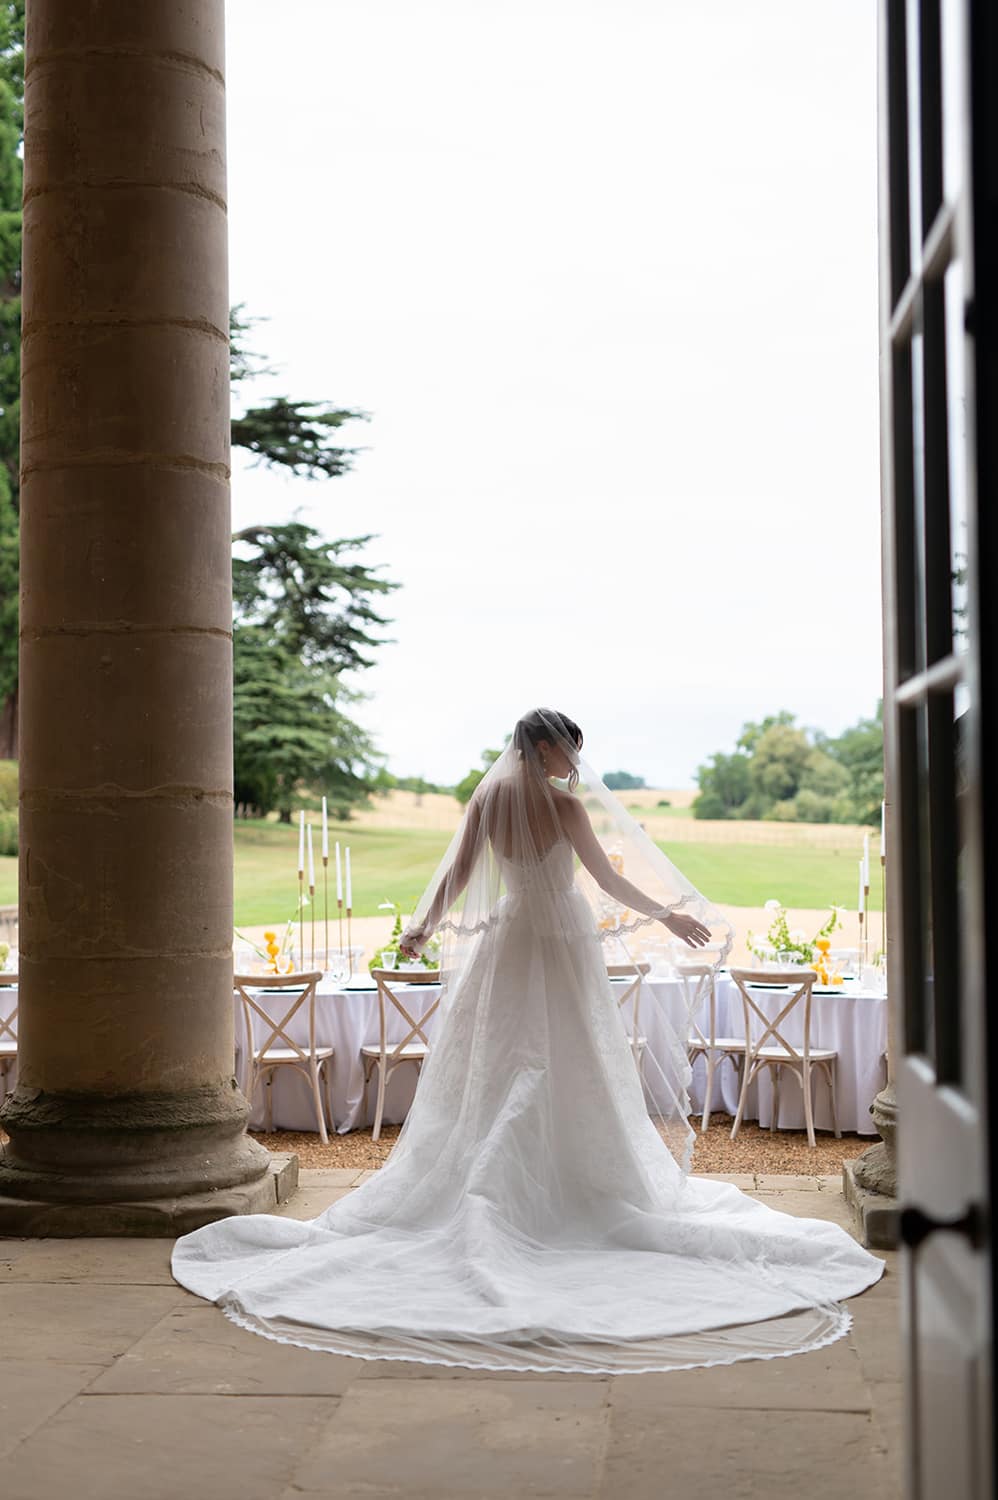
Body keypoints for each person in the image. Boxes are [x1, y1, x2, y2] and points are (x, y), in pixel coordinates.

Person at [173, 708, 883, 1374]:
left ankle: (489, 1175)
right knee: (569, 1054)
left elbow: (457, 875)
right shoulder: (565, 807)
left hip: (510, 937)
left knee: (502, 1058)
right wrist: (667, 914)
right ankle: (562, 1182)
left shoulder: (488, 799)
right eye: (569, 750)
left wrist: (421, 925)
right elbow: (606, 879)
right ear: (544, 748)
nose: (575, 764)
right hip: (561, 938)